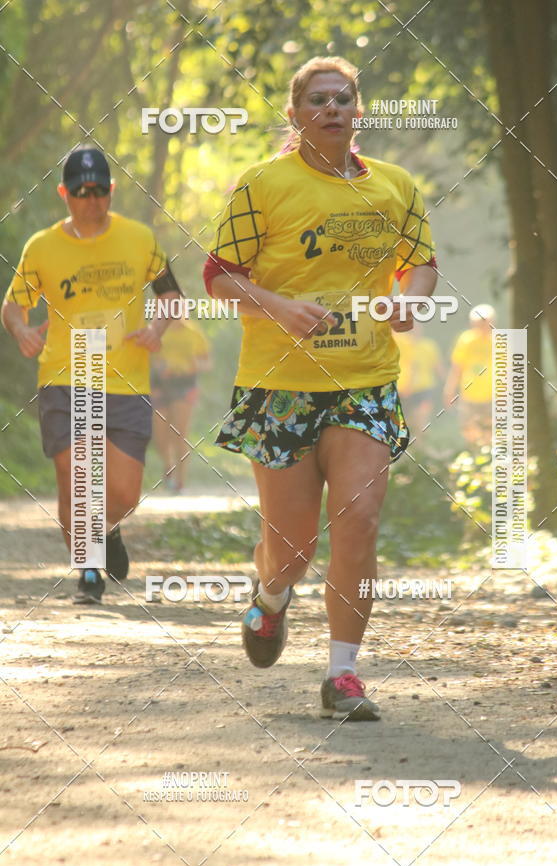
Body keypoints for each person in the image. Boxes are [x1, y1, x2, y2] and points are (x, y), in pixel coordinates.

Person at [204, 57, 437, 721]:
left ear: (358, 111)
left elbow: (421, 263)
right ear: (295, 114)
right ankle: (271, 595)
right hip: (280, 385)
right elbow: (218, 277)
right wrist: (277, 305)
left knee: (359, 521)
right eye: (317, 99)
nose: (331, 108)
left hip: (363, 382)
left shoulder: (394, 187)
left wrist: (409, 302)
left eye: (342, 98)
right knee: (295, 545)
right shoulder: (263, 184)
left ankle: (342, 676)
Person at [2, 146, 180, 603]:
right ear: (64, 193)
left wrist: (158, 327)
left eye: (100, 191)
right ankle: (88, 569)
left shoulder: (140, 238)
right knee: (77, 477)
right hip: (65, 376)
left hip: (127, 381)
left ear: (112, 191)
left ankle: (107, 531)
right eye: (81, 192)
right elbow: (13, 306)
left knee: (123, 493)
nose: (92, 200)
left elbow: (171, 295)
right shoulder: (41, 247)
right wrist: (22, 330)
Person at [151, 317, 212, 493]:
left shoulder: (194, 332)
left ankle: (180, 482)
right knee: (160, 434)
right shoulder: (158, 330)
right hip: (161, 384)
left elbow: (207, 362)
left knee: (180, 434)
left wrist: (196, 364)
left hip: (185, 384)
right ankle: (168, 464)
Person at [444, 304, 495, 446]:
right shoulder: (466, 340)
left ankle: (486, 459)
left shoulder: (498, 341)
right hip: (468, 395)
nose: (482, 326)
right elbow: (457, 368)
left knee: (489, 433)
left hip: (491, 396)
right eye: (479, 323)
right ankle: (474, 457)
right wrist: (449, 390)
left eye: (485, 322)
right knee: (469, 432)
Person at [393, 321, 444, 454]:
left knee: (421, 421)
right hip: (403, 391)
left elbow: (439, 368)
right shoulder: (400, 343)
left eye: (417, 327)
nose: (414, 330)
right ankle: (405, 454)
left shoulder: (429, 346)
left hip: (424, 390)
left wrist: (447, 387)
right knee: (405, 423)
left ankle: (422, 453)